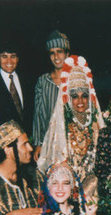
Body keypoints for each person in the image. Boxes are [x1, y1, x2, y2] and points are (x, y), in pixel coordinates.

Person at [37, 55, 105, 198]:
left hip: (93, 192)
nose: (80, 101)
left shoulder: (95, 125)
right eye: (74, 96)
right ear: (68, 98)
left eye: (84, 95)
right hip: (66, 191)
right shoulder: (61, 126)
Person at [0, 43, 35, 137]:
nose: (9, 61)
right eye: (4, 56)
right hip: (5, 145)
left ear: (18, 59)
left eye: (13, 56)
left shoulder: (28, 81)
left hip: (29, 141)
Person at [33, 30, 70, 161]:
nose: (56, 57)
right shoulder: (43, 81)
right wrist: (38, 144)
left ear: (67, 54)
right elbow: (38, 115)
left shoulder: (76, 79)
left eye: (59, 52)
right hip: (50, 145)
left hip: (73, 143)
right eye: (52, 53)